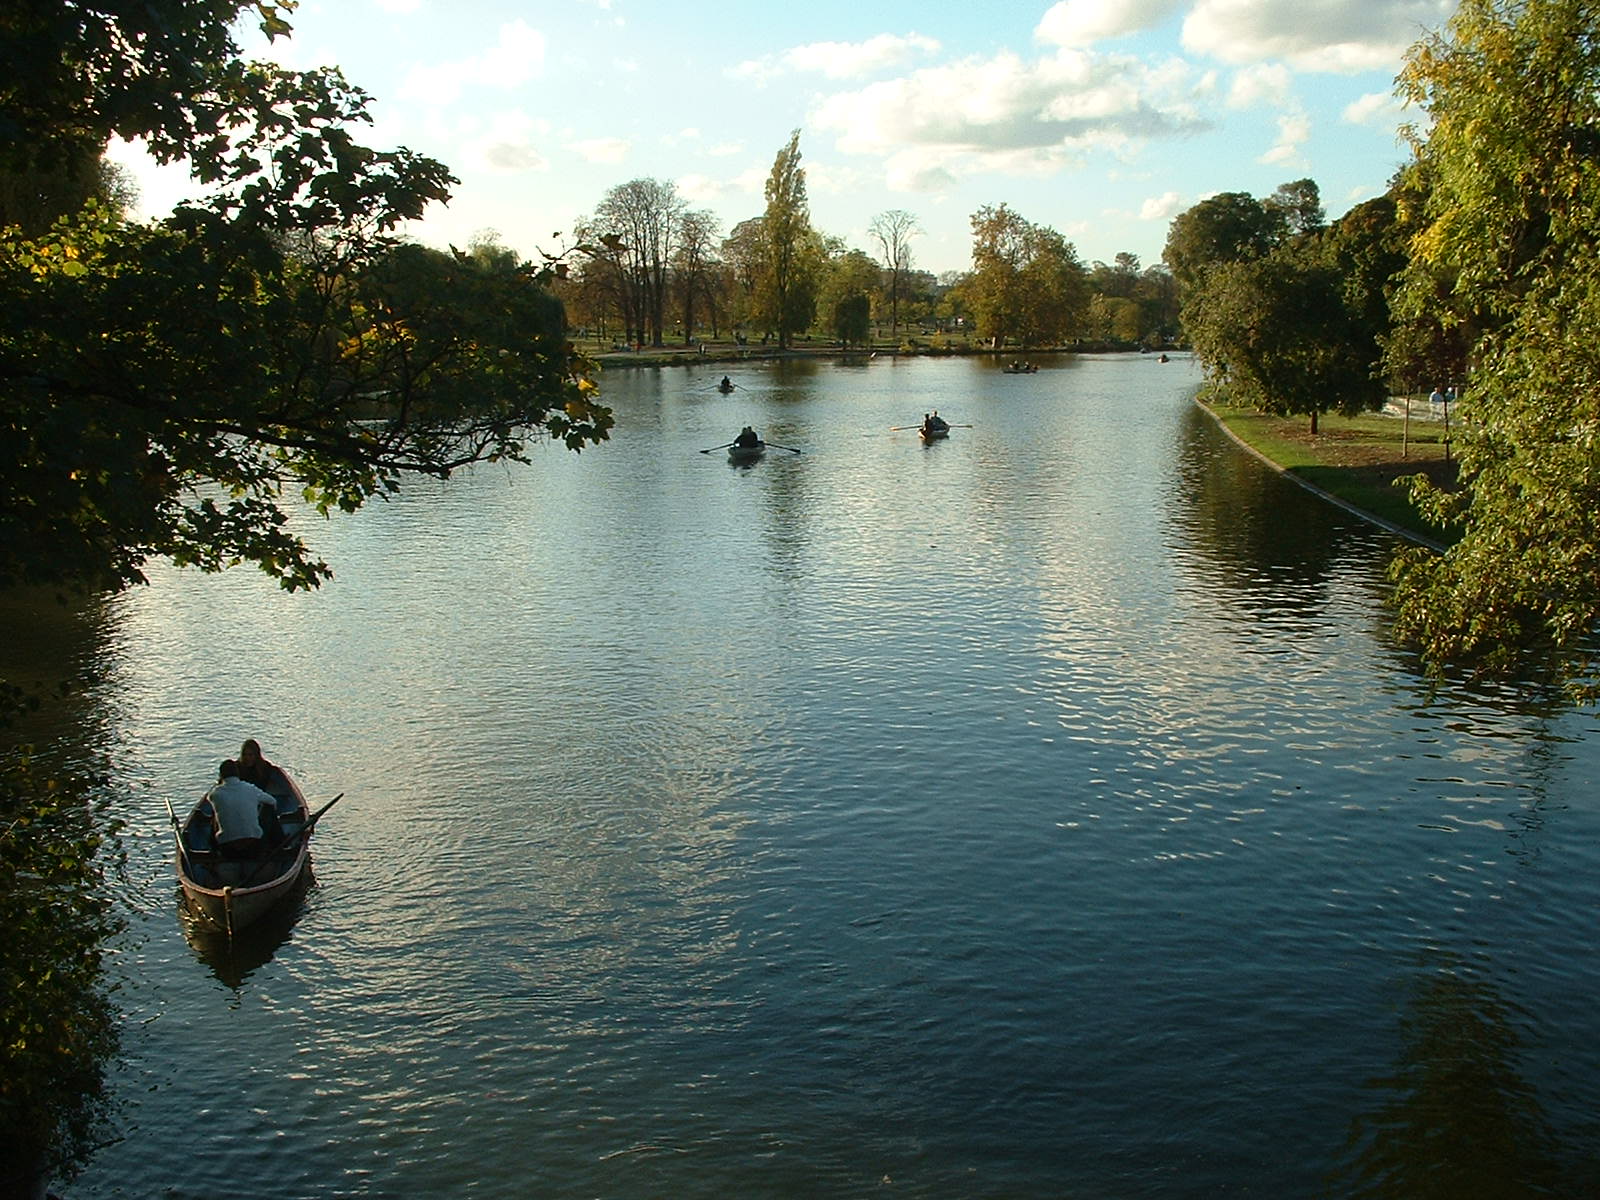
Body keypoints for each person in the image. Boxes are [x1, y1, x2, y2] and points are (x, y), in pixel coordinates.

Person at [207, 760, 277, 859]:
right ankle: (278, 842)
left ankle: (212, 849)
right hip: (254, 843)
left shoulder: (215, 794)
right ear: (238, 774)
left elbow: (209, 798)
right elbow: (272, 801)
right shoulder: (250, 788)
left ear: (221, 775)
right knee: (268, 807)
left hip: (226, 845)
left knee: (216, 811)